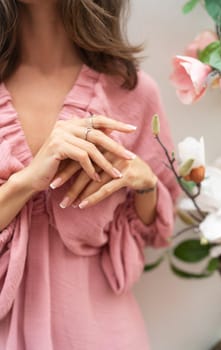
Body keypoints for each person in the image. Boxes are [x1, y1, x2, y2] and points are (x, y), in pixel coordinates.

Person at [0, 0, 180, 349]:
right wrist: (27, 180)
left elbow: (154, 232)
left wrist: (144, 184)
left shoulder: (132, 91)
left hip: (101, 332)